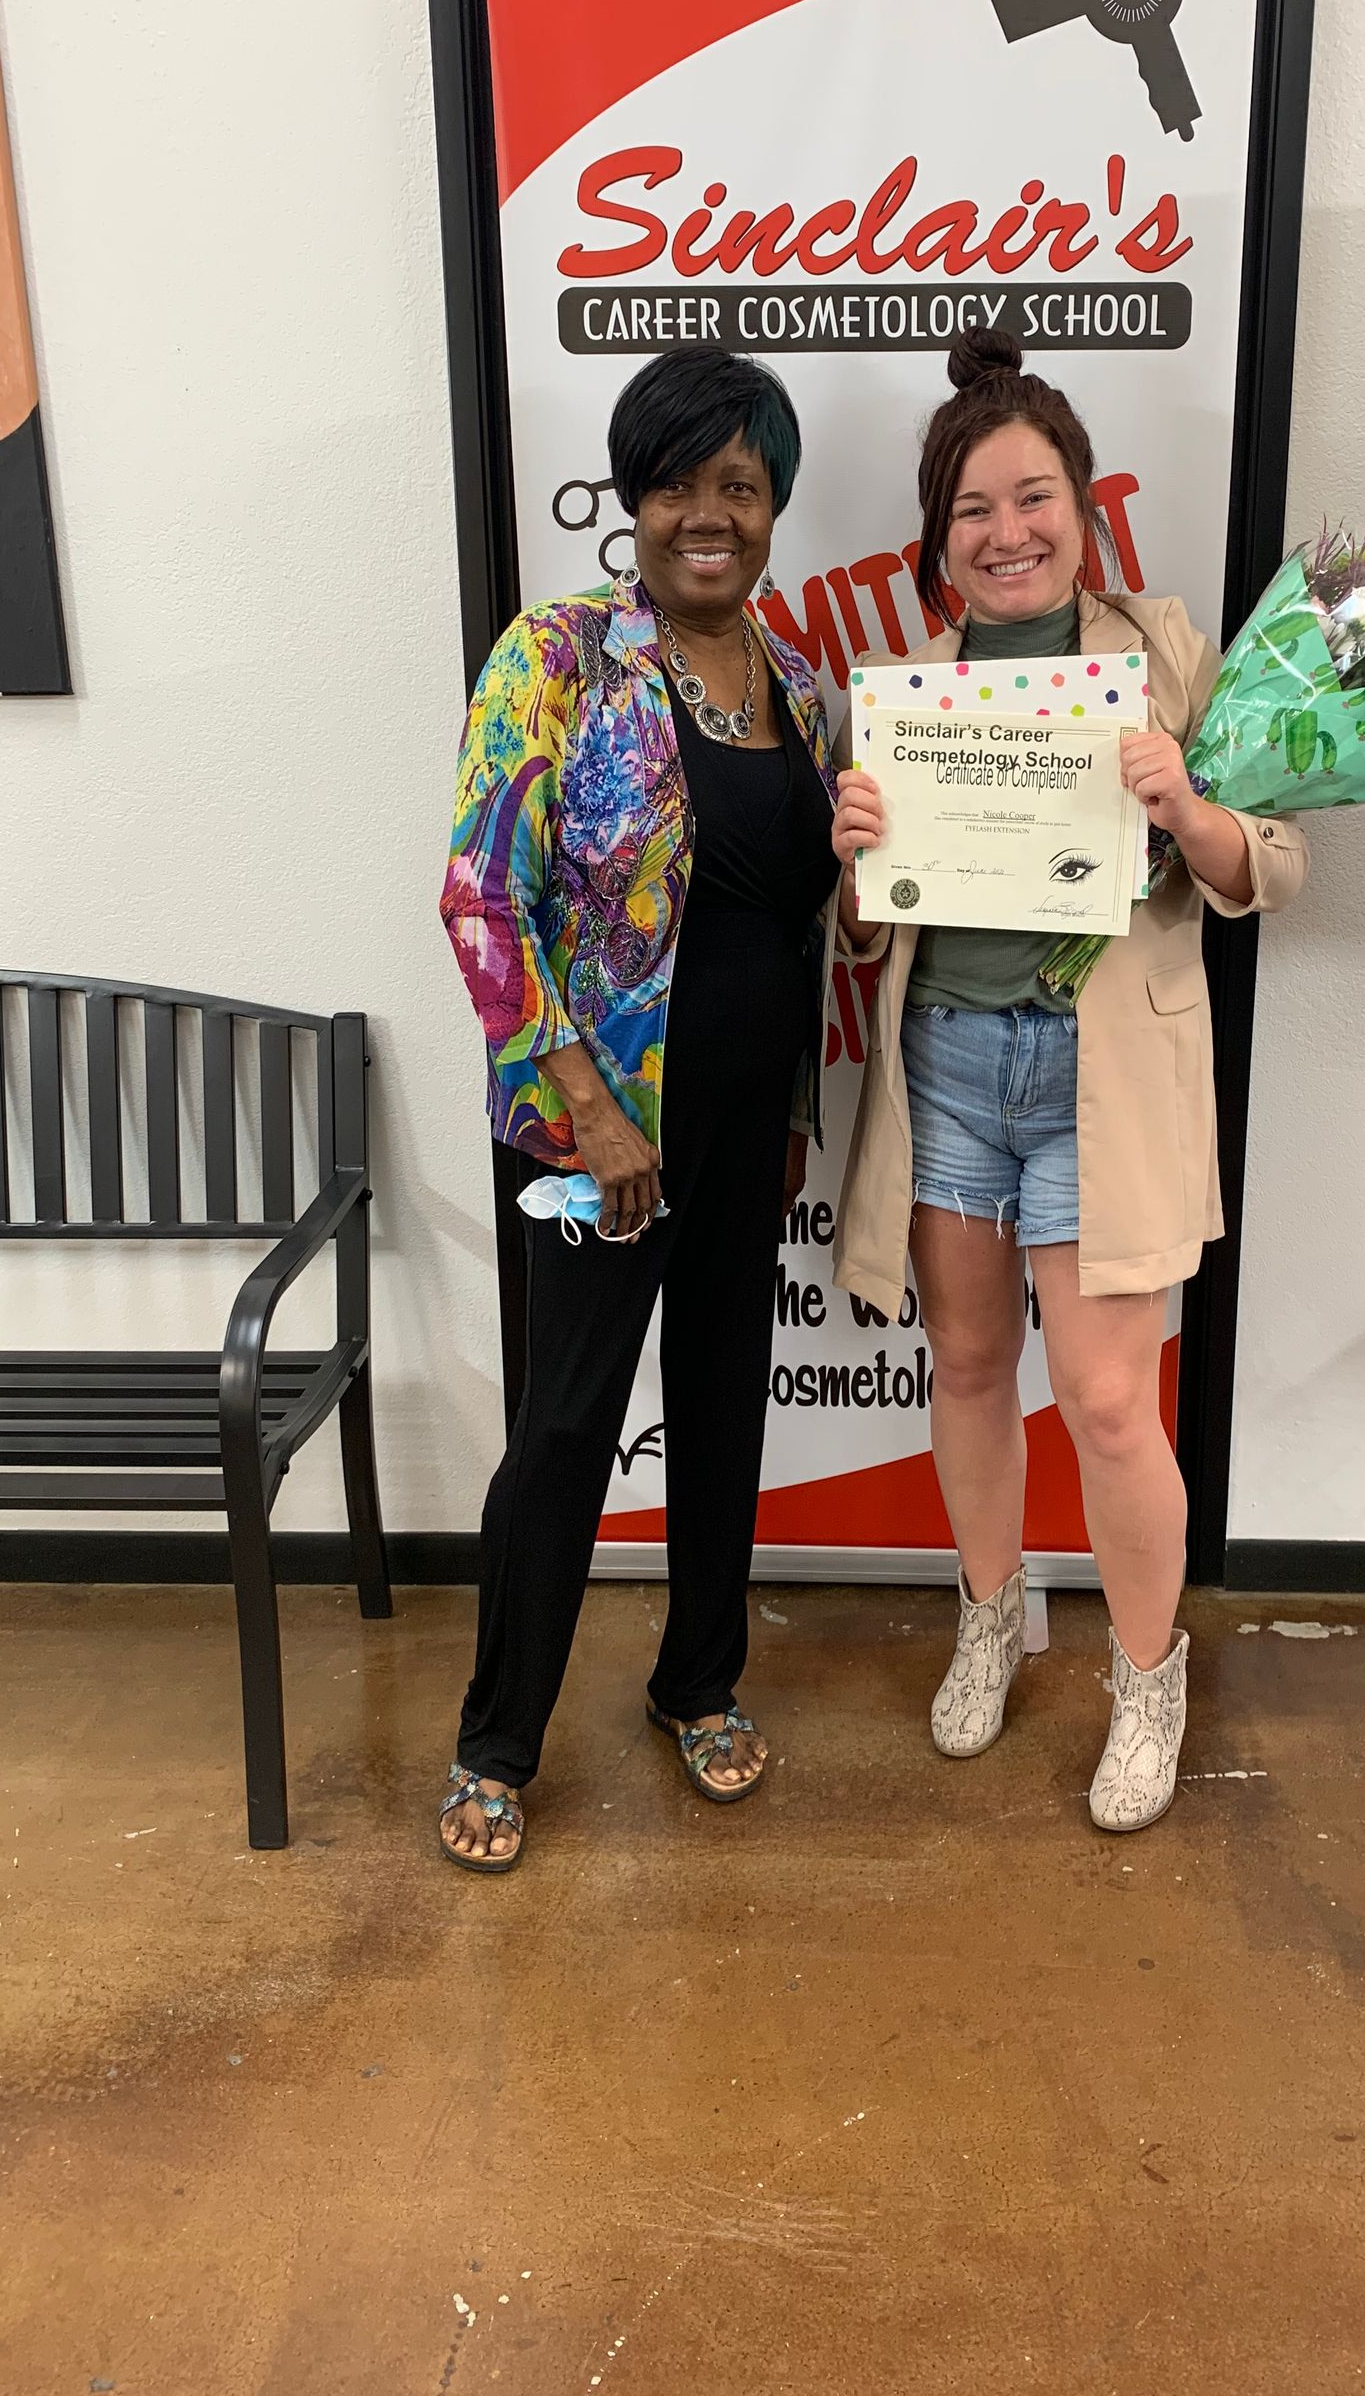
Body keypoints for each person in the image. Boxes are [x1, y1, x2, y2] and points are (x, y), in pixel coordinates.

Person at [829, 329, 1308, 1833]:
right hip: (949, 1073)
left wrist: (1192, 805)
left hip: (1101, 1077)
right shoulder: (903, 686)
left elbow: (1272, 870)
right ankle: (991, 1615)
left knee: (1106, 1403)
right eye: (973, 510)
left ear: (1085, 508)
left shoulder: (1165, 655)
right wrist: (852, 866)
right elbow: (866, 929)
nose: (1007, 531)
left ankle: (1149, 1676)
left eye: (1032, 497)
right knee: (968, 1370)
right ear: (939, 541)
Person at [437, 345, 838, 1872]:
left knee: (726, 1412)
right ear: (636, 498)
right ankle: (497, 1740)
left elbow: (801, 920)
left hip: (750, 1131)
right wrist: (593, 1116)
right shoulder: (558, 657)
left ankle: (697, 1682)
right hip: (603, 1136)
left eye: (739, 483)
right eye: (678, 481)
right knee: (566, 1429)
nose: (707, 513)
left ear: (775, 507)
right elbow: (484, 900)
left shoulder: (800, 687)